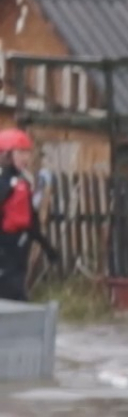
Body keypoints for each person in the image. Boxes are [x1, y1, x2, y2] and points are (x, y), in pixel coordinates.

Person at [0, 129, 57, 302]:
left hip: (21, 243)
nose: (25, 158)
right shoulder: (6, 181)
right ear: (7, 155)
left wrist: (47, 247)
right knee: (12, 290)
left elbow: (31, 221)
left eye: (27, 153)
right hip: (6, 246)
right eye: (20, 152)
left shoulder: (23, 183)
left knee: (16, 289)